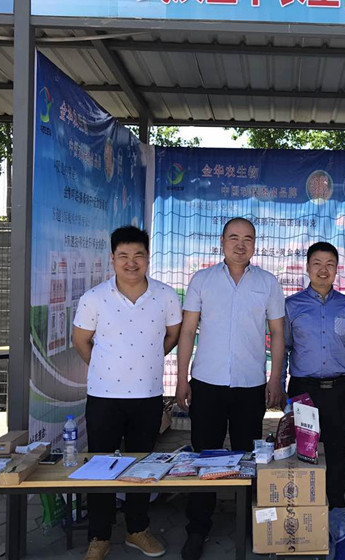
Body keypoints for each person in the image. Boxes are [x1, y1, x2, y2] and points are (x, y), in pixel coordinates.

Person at [175, 217, 285, 560]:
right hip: (206, 383)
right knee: (204, 454)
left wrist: (275, 378)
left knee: (247, 457)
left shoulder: (268, 283)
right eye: (234, 237)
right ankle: (198, 528)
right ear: (221, 242)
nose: (241, 244)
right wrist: (181, 378)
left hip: (250, 385)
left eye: (248, 238)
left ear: (255, 244)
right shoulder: (202, 280)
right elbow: (187, 331)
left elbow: (277, 333)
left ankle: (250, 524)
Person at [73, 226, 182, 560]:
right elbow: (81, 340)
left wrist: (144, 361)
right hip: (104, 396)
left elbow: (172, 336)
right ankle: (99, 536)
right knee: (101, 465)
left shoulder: (165, 296)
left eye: (138, 255)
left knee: (142, 464)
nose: (131, 263)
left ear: (148, 258)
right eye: (123, 256)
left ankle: (137, 529)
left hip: (147, 396)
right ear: (112, 258)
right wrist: (105, 366)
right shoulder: (94, 298)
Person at [284, 241, 345, 509]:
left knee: (337, 451)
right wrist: (279, 387)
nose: (323, 269)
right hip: (304, 390)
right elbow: (284, 349)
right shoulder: (291, 306)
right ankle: (306, 510)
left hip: (340, 390)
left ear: (336, 269)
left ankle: (336, 508)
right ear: (307, 268)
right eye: (317, 263)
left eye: (330, 264)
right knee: (305, 451)